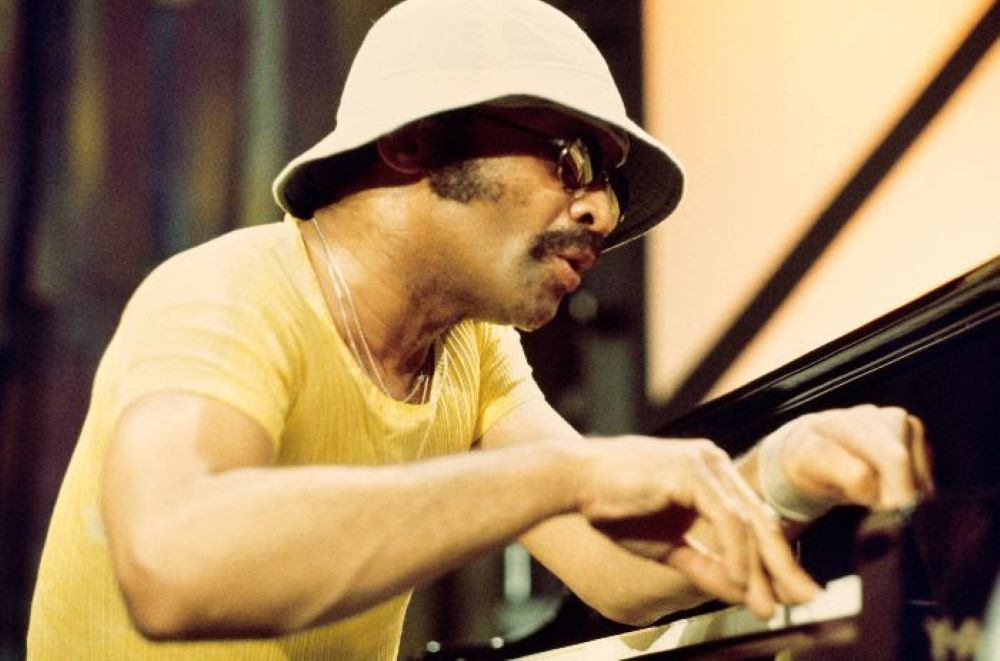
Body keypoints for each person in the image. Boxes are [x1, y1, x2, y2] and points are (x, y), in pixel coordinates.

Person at [26, 0, 934, 659]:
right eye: (573, 157)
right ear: (413, 142)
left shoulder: (471, 348)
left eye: (610, 186)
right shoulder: (226, 293)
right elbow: (173, 564)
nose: (602, 213)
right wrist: (563, 474)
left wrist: (778, 475)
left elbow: (615, 571)